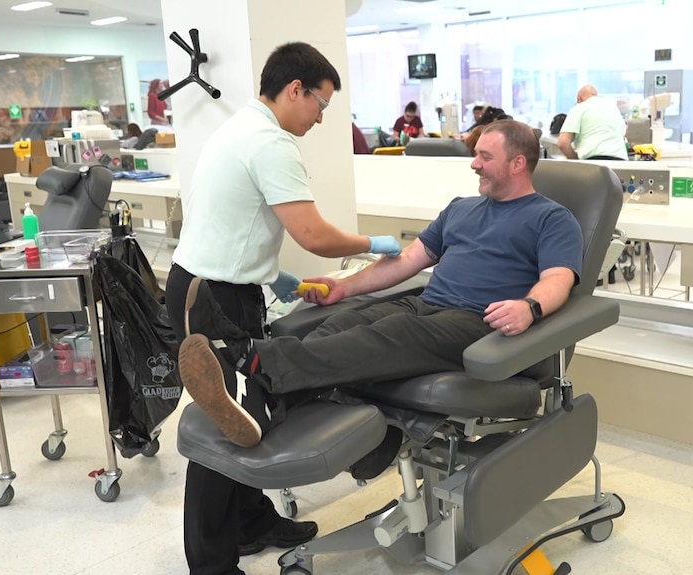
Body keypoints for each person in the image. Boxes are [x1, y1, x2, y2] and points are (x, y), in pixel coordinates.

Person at [177, 119, 583, 453]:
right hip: (427, 306)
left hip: (478, 324)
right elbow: (407, 260)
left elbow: (558, 278)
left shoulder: (551, 218)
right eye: (475, 154)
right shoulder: (461, 208)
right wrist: (345, 289)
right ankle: (262, 405)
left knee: (391, 334)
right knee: (340, 326)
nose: (473, 164)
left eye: (484, 156)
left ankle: (253, 361)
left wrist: (529, 308)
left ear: (517, 164)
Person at [164, 41, 402, 575]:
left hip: (204, 283)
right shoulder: (271, 144)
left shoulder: (234, 128)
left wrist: (278, 279)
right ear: (295, 89)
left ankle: (251, 522)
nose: (321, 118)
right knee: (221, 426)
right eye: (321, 103)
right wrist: (378, 246)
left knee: (247, 411)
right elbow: (314, 234)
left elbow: (234, 220)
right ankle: (210, 563)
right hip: (215, 298)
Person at [557, 85, 627, 161]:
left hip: (593, 162)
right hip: (621, 162)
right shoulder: (614, 110)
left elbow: (563, 143)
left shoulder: (579, 108)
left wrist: (575, 159)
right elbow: (623, 135)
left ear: (579, 99)